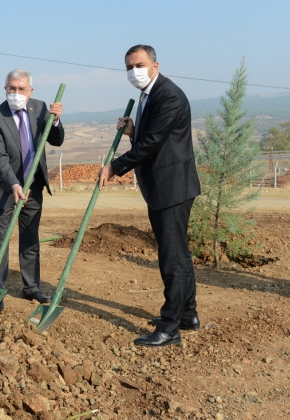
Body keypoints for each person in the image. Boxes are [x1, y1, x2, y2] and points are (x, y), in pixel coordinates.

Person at [99, 45, 201, 347]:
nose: (134, 72)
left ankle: (169, 327)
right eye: (129, 67)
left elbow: (152, 143)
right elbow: (154, 138)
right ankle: (187, 313)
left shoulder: (167, 95)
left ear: (155, 65)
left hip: (172, 188)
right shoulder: (150, 96)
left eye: (139, 65)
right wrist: (133, 131)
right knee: (178, 253)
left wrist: (115, 166)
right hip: (165, 186)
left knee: (172, 258)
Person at [0, 69, 64, 312]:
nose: (16, 93)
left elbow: (56, 140)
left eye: (21, 89)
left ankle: (31, 287)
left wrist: (56, 121)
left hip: (34, 186)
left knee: (30, 237)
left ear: (30, 91)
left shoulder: (40, 108)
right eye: (12, 88)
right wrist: (14, 184)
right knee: (1, 239)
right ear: (5, 88)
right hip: (4, 187)